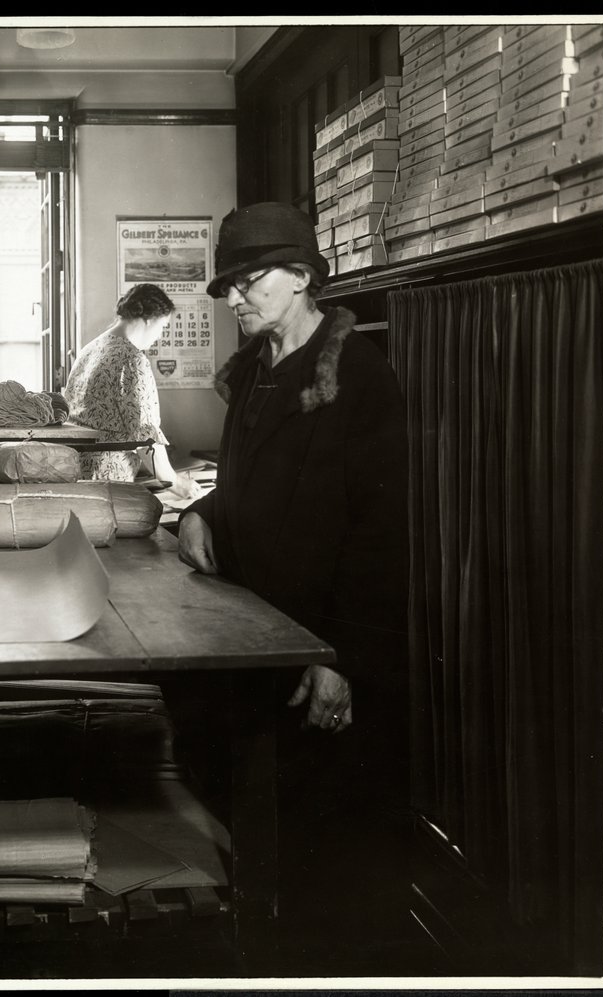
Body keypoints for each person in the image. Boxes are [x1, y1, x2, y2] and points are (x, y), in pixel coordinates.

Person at [173, 202, 412, 975]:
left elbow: (381, 535)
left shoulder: (359, 376)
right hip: (257, 632)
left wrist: (341, 657)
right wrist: (203, 513)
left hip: (324, 643)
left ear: (303, 277)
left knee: (329, 865)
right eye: (229, 287)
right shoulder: (254, 371)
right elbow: (246, 484)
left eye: (249, 281)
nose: (235, 298)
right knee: (259, 828)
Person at [63, 283, 182, 486]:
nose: (160, 336)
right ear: (149, 319)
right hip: (109, 478)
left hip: (75, 472)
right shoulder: (132, 360)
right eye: (162, 327)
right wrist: (177, 483)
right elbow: (146, 440)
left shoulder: (90, 350)